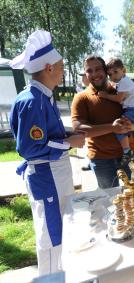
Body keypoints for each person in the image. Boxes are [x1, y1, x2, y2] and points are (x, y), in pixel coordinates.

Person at [8, 30, 86, 276]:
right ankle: (51, 279)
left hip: (53, 172)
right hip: (46, 173)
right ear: (49, 67)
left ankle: (59, 274)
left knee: (60, 227)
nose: (64, 70)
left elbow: (46, 134)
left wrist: (66, 138)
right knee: (51, 233)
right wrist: (70, 142)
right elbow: (31, 148)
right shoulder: (32, 100)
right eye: (62, 66)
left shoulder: (42, 97)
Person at [71, 55, 134, 188]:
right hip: (101, 160)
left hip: (129, 157)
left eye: (98, 69)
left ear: (106, 71)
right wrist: (112, 127)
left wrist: (133, 126)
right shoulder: (81, 98)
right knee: (109, 200)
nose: (94, 74)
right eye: (89, 71)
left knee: (132, 196)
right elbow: (79, 129)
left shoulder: (121, 90)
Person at [97, 58, 134, 165]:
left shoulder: (124, 82)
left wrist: (105, 95)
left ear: (123, 70)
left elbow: (118, 99)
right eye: (110, 74)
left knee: (119, 127)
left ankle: (127, 151)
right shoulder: (124, 81)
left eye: (115, 72)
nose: (113, 76)